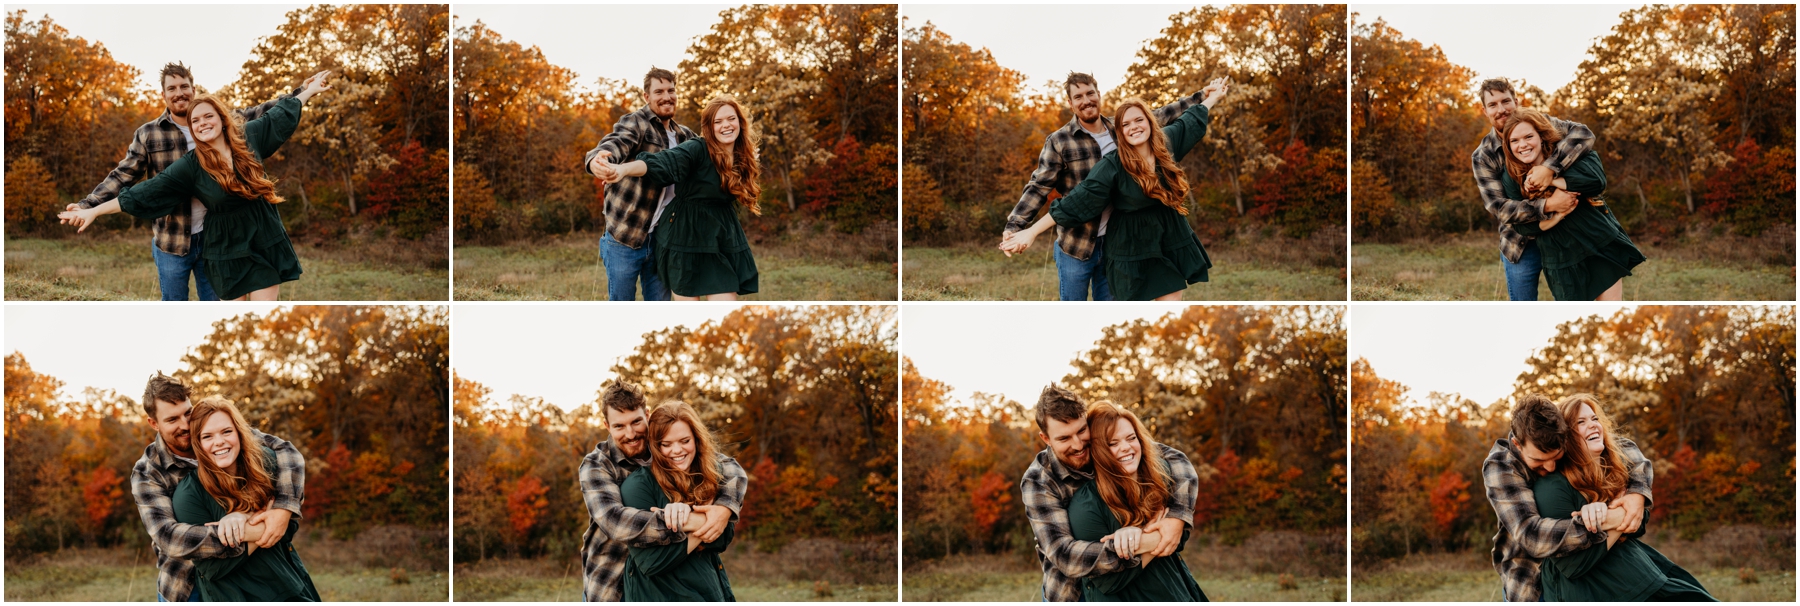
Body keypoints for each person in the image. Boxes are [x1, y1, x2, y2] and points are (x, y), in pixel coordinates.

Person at [62, 63, 325, 301]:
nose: (179, 93)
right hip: (177, 239)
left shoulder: (240, 131)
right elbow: (136, 184)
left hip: (229, 235)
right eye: (171, 88)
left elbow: (273, 114)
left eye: (184, 86)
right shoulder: (160, 141)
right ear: (164, 95)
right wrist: (91, 207)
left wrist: (305, 90)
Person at [997, 73, 1225, 301]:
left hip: (1119, 240)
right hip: (1079, 242)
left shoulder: (1122, 129)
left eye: (1090, 93)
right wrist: (1019, 226)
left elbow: (1163, 116)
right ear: (1070, 103)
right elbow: (1044, 189)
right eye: (1078, 96)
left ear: (1098, 95)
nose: (1085, 100)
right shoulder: (1061, 141)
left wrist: (1203, 96)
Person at [129, 373, 306, 603]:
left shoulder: (216, 435)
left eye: (187, 413)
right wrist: (251, 529)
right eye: (172, 420)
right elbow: (169, 537)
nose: (185, 425)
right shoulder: (147, 472)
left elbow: (286, 452)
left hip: (244, 573)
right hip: (186, 585)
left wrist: (282, 509)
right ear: (154, 423)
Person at [1020, 385, 1199, 602]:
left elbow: (1174, 458)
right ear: (1046, 438)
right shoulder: (1038, 481)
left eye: (1081, 431)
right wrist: (1147, 540)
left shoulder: (1104, 446)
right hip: (1071, 593)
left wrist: (1177, 516)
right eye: (1064, 438)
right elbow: (1065, 555)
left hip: (1129, 585)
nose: (1078, 445)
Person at [1532, 394, 1715, 601]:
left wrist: (1613, 514)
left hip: (1632, 570)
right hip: (1587, 589)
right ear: (1564, 436)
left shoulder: (1610, 467)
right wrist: (1618, 516)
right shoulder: (1552, 487)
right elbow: (1573, 565)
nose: (1593, 425)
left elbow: (1641, 522)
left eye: (1594, 419)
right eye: (1581, 422)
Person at [580, 381, 748, 602]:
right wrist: (693, 520)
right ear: (607, 425)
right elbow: (615, 522)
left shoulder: (664, 445)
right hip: (610, 583)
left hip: (663, 583)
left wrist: (724, 508)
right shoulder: (596, 465)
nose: (630, 434)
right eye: (619, 426)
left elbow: (730, 468)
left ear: (647, 415)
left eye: (636, 422)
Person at [1481, 393, 1652, 602]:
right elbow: (1531, 536)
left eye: (1557, 457)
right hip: (1530, 581)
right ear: (1517, 444)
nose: (1550, 467)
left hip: (1580, 574)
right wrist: (1609, 518)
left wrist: (1636, 492)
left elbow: (1624, 447)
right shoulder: (1501, 466)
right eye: (1539, 461)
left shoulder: (1556, 432)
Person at [591, 96, 761, 300]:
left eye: (731, 119)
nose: (726, 125)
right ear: (709, 127)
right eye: (717, 121)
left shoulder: (743, 155)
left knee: (726, 304)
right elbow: (661, 162)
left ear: (740, 122)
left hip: (718, 236)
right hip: (684, 235)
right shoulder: (697, 148)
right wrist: (622, 169)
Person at [172, 397, 321, 601]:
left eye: (226, 431)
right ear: (197, 443)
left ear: (239, 432)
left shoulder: (264, 462)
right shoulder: (189, 494)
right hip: (235, 596)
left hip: (287, 586)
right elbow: (212, 568)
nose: (219, 442)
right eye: (207, 436)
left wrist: (242, 518)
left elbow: (288, 528)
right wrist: (261, 520)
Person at [1468, 78, 1599, 301]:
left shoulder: (1539, 124)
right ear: (1484, 111)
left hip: (1565, 233)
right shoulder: (1484, 156)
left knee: (1576, 302)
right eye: (1493, 105)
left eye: (1505, 101)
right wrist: (1549, 205)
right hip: (1520, 243)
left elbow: (1583, 135)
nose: (1501, 109)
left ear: (1516, 102)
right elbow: (1499, 208)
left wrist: (1550, 169)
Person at [1066, 402, 1208, 601]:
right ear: (1098, 450)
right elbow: (1108, 582)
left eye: (1131, 438)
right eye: (1112, 443)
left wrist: (1144, 538)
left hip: (1175, 589)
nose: (1126, 448)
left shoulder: (1158, 477)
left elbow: (1178, 538)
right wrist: (1146, 537)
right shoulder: (1086, 505)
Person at [1499, 110, 1645, 301]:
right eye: (1515, 141)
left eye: (1528, 137)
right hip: (1560, 259)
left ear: (1541, 137)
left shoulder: (1567, 153)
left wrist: (1549, 178)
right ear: (1509, 146)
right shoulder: (1512, 178)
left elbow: (1595, 180)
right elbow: (1522, 225)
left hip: (1597, 242)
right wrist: (1557, 214)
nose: (1523, 145)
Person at [582, 67, 693, 301]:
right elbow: (615, 143)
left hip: (663, 241)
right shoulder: (636, 123)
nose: (667, 96)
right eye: (659, 91)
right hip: (625, 237)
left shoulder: (685, 137)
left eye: (671, 90)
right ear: (647, 96)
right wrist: (598, 161)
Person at [620, 402, 739, 601]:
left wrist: (688, 521)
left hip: (709, 591)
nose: (676, 450)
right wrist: (704, 522)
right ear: (655, 446)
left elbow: (724, 537)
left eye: (684, 441)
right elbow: (651, 562)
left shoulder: (706, 475)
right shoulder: (638, 486)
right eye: (666, 444)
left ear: (696, 439)